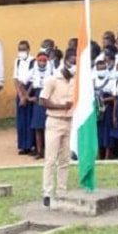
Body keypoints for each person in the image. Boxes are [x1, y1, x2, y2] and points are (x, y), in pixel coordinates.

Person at [39, 49, 76, 207]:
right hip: (54, 121)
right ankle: (47, 192)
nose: (74, 65)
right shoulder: (53, 79)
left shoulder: (75, 80)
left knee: (65, 159)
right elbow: (42, 100)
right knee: (50, 159)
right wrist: (61, 106)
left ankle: (62, 190)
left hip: (69, 121)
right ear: (66, 61)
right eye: (72, 62)